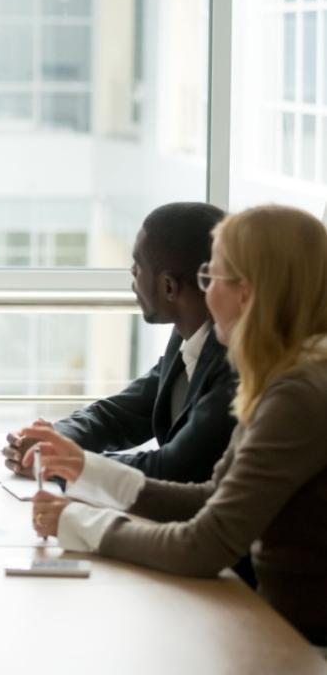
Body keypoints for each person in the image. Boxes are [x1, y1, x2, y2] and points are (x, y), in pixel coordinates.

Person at [24, 205, 327, 646]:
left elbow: (204, 545)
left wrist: (78, 524)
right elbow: (211, 497)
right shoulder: (286, 375)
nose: (205, 293)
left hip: (300, 644)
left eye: (211, 277)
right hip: (273, 626)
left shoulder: (296, 396)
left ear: (247, 292)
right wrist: (83, 468)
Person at [5, 202, 236, 483]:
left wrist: (64, 464)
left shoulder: (234, 363)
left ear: (169, 287)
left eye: (137, 267)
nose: (132, 276)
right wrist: (54, 440)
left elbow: (173, 468)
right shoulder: (186, 336)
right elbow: (120, 414)